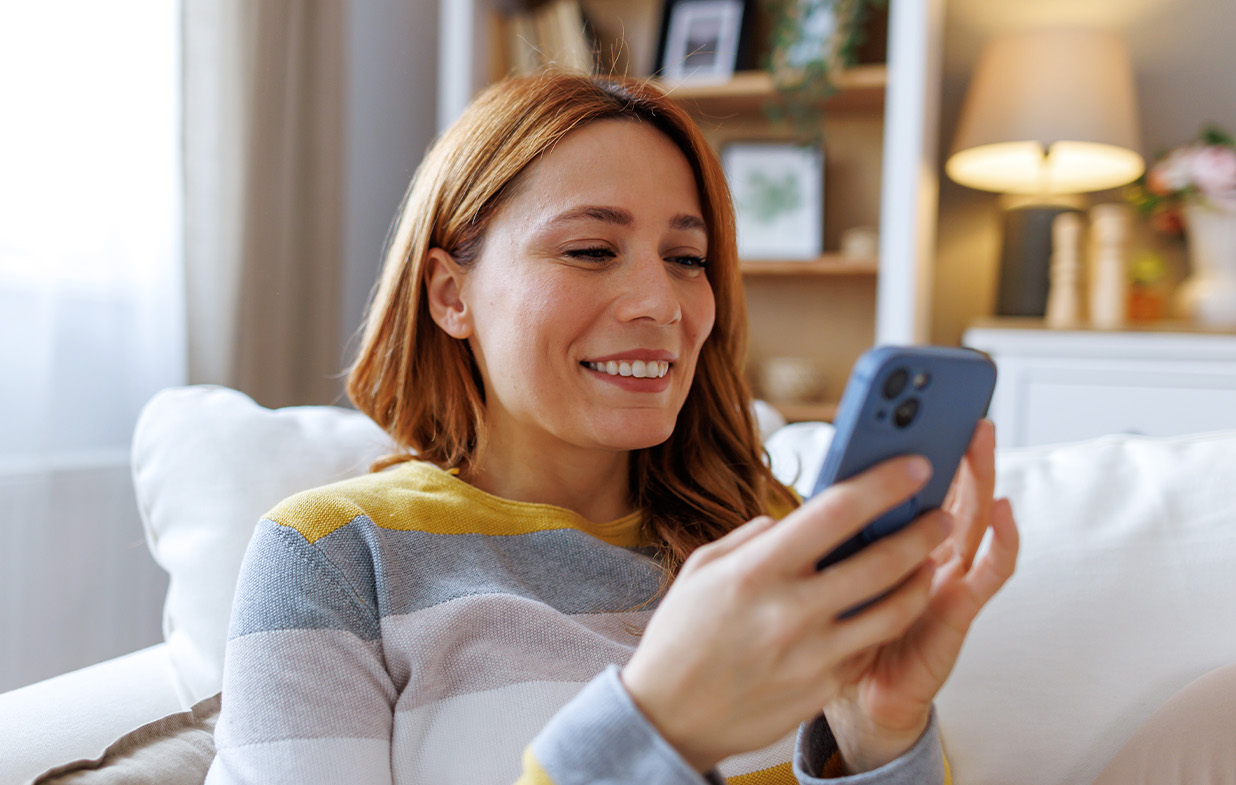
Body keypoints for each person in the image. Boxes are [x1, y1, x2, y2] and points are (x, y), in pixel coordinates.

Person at [203, 72, 1018, 784]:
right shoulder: (336, 557)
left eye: (686, 258)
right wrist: (655, 726)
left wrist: (879, 738)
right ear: (452, 295)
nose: (660, 304)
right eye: (592, 249)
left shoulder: (777, 540)